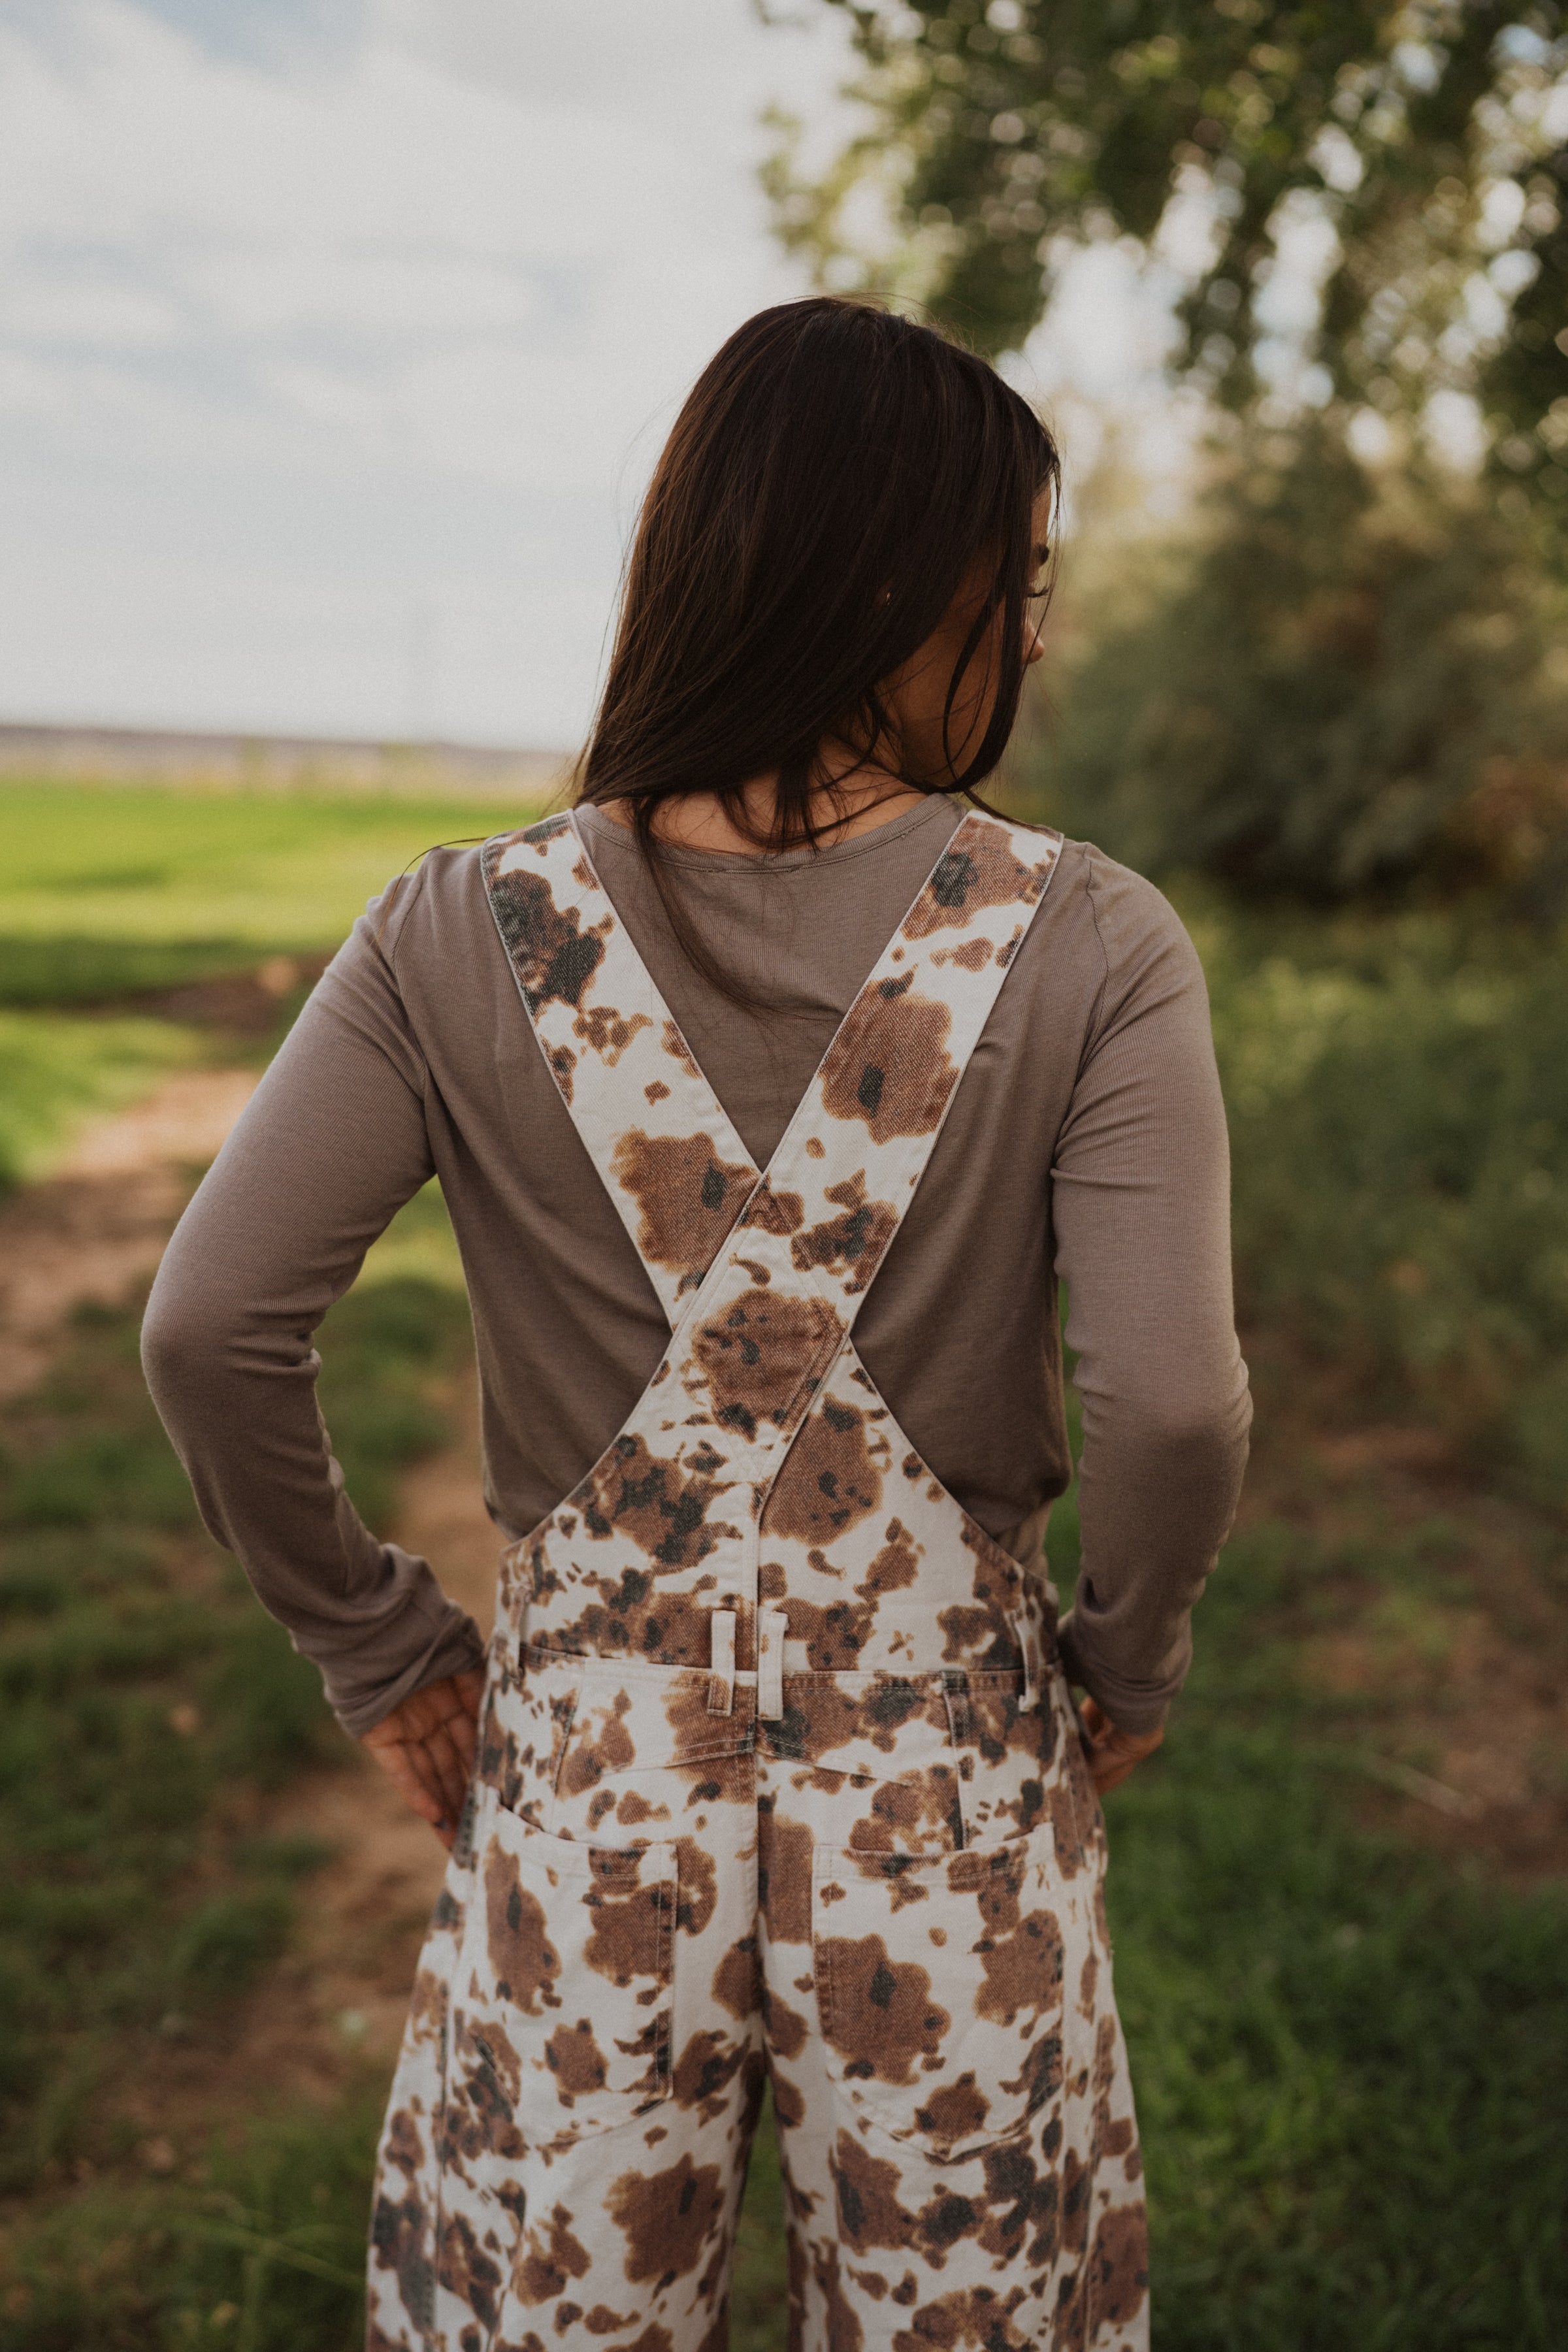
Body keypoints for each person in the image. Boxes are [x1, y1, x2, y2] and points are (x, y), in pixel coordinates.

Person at [142, 297, 1250, 2352]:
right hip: (944, 1805)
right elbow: (1175, 1407)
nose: (1036, 639)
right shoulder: (1092, 941)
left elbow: (208, 1328)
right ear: (899, 591)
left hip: (594, 1804)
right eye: (1019, 589)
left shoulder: (454, 931)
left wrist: (377, 1646)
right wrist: (1130, 1655)